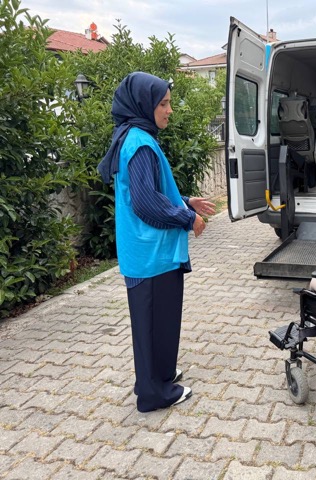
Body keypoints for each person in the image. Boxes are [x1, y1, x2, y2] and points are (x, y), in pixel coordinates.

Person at [97, 72, 216, 412]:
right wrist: (188, 218)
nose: (169, 110)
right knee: (152, 322)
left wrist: (186, 201)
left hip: (151, 251)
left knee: (160, 319)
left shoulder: (135, 137)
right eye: (163, 104)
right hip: (149, 253)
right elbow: (147, 203)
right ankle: (152, 393)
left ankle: (159, 374)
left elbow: (150, 190)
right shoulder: (139, 143)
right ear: (143, 105)